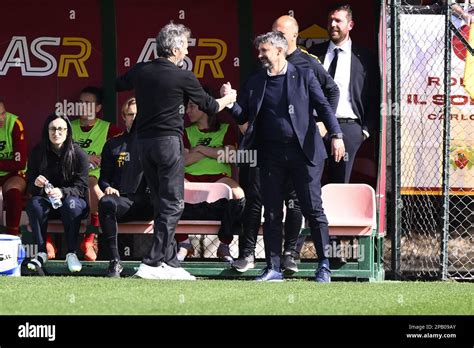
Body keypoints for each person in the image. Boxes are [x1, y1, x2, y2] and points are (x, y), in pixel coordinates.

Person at [116, 22, 236, 280]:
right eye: (185, 46)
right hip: (168, 144)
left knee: (161, 203)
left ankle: (171, 264)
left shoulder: (141, 70)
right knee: (173, 204)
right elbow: (211, 107)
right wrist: (229, 98)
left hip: (144, 145)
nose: (188, 52)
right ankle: (151, 262)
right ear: (175, 48)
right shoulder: (183, 76)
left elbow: (117, 83)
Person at [222, 31, 345, 282]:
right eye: (259, 50)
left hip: (305, 153)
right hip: (270, 155)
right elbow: (243, 116)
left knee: (313, 210)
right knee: (272, 213)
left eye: (264, 51)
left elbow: (323, 106)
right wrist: (230, 103)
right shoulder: (256, 80)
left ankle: (323, 266)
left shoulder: (304, 74)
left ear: (279, 51)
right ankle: (273, 268)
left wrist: (336, 134)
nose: (259, 55)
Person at [309, 4, 380, 184]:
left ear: (350, 25)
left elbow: (374, 96)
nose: (333, 24)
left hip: (348, 126)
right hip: (316, 124)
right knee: (308, 180)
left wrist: (364, 131)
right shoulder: (313, 55)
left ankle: (336, 212)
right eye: (330, 20)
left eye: (338, 20)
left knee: (339, 182)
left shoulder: (365, 58)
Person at [177, 90, 245, 263]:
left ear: (206, 107)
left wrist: (199, 149)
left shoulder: (226, 128)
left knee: (239, 194)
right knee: (169, 191)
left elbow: (231, 156)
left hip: (219, 179)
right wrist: (216, 152)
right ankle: (184, 243)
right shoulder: (186, 131)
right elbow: (184, 160)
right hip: (191, 180)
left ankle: (224, 245)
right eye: (187, 106)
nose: (188, 110)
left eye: (192, 106)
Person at [26, 112, 89, 273]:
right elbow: (31, 189)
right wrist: (37, 184)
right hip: (47, 203)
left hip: (72, 202)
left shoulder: (78, 154)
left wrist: (62, 192)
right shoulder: (38, 152)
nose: (57, 133)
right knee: (34, 204)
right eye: (52, 129)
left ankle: (71, 253)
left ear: (68, 131)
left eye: (61, 129)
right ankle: (41, 252)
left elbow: (81, 188)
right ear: (47, 132)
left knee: (71, 204)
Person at [70, 86, 122, 261]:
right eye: (80, 103)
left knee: (92, 184)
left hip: (97, 176)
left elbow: (121, 151)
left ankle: (90, 238)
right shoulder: (68, 127)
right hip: (71, 174)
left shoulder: (109, 129)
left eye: (88, 103)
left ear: (98, 108)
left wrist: (103, 157)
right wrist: (85, 156)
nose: (83, 107)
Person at [0, 98, 27, 236]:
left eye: (3, 113)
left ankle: (12, 237)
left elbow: (20, 163)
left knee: (13, 193)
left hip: (13, 174)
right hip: (9, 168)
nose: (1, 119)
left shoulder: (14, 123)